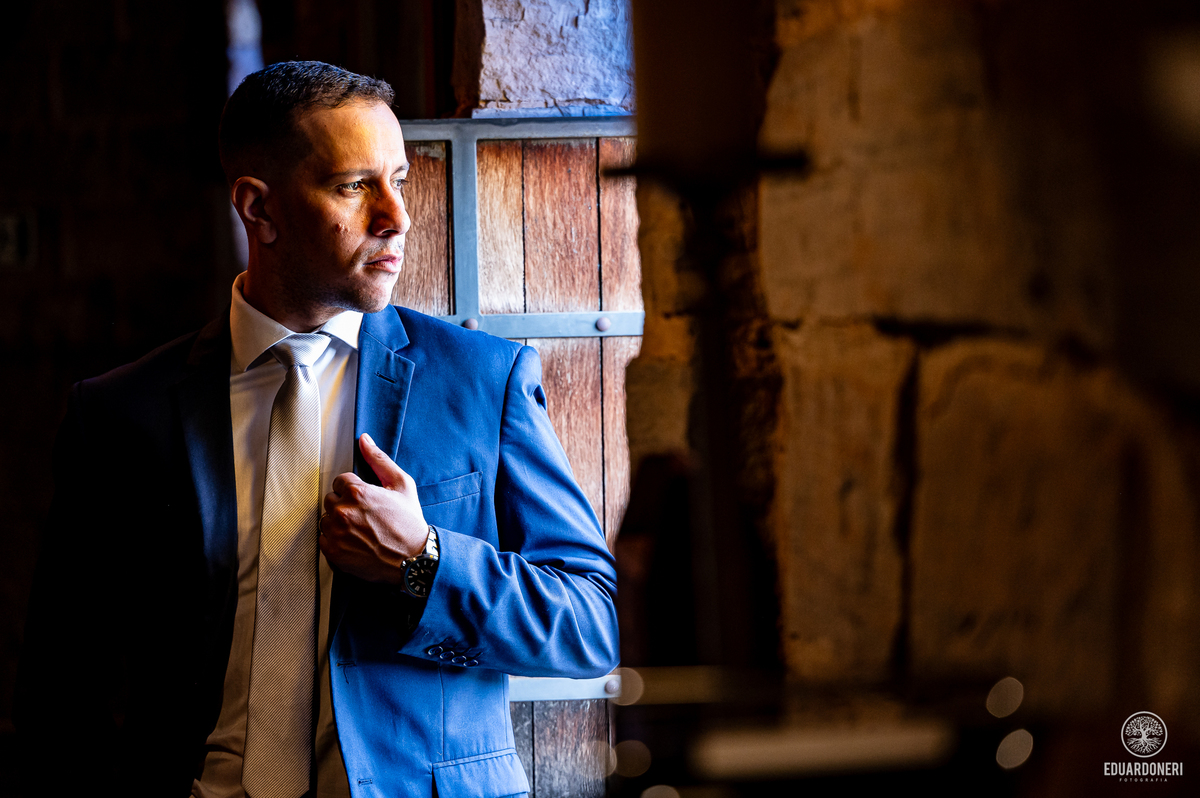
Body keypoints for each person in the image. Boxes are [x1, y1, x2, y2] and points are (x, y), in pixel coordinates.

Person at [15, 61, 618, 798]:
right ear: (259, 209)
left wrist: (425, 561)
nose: (396, 216)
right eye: (355, 186)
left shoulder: (482, 381)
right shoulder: (119, 415)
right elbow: (60, 689)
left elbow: (593, 625)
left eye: (400, 179)